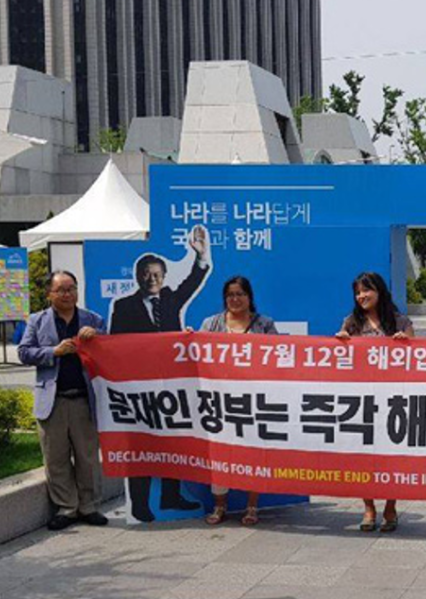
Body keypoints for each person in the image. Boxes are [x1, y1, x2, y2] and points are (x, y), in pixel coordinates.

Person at [111, 224, 211, 522]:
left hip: (171, 385)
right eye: (147, 274)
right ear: (138, 276)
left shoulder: (170, 298)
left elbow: (194, 280)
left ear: (163, 277)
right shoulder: (123, 306)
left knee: (173, 442)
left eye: (157, 274)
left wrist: (201, 255)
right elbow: (116, 347)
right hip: (138, 389)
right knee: (139, 444)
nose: (152, 279)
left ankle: (171, 496)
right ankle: (140, 504)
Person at [18, 271, 107, 530]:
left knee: (87, 457)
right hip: (52, 400)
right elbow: (24, 352)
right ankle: (67, 508)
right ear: (50, 294)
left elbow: (110, 349)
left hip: (83, 400)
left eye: (71, 288)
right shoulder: (36, 321)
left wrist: (98, 336)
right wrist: (52, 352)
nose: (67, 294)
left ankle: (89, 506)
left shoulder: (92, 319)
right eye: (61, 290)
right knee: (55, 458)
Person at [336, 271, 413, 533]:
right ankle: (368, 507)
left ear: (380, 292)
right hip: (362, 400)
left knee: (392, 455)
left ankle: (391, 506)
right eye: (358, 292)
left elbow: (418, 360)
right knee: (363, 457)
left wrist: (406, 344)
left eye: (366, 291)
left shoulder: (400, 321)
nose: (362, 296)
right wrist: (342, 343)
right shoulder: (351, 323)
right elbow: (340, 360)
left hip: (394, 400)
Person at [199, 276, 278, 527]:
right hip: (219, 400)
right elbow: (195, 354)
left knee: (252, 453)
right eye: (230, 294)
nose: (235, 299)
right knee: (219, 453)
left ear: (249, 297)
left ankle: (252, 506)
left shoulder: (264, 324)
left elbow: (280, 355)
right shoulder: (211, 324)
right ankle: (219, 506)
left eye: (240, 294)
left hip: (253, 400)